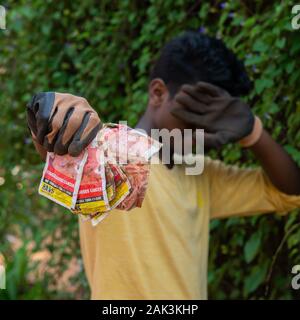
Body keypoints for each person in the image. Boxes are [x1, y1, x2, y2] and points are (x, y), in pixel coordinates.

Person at [27, 31, 300, 299]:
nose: (205, 130)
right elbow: (61, 132)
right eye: (195, 114)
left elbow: (290, 192)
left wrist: (252, 132)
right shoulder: (109, 156)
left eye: (216, 120)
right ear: (158, 92)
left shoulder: (201, 174)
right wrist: (48, 110)